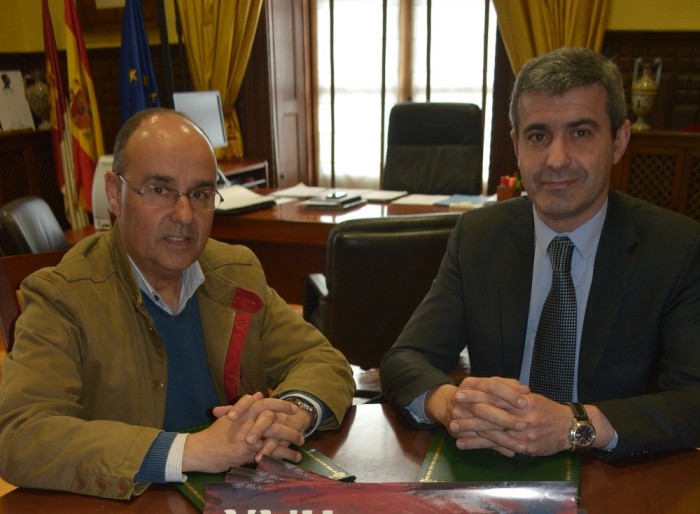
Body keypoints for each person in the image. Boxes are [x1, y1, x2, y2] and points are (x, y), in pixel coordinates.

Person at [0, 108, 355, 499]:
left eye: (201, 194)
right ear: (115, 194)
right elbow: (19, 434)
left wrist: (290, 414)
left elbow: (323, 360)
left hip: (234, 497)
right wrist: (191, 450)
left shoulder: (235, 272)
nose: (184, 214)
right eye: (159, 189)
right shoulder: (62, 296)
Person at [380, 47, 700, 461]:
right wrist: (449, 403)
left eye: (580, 133)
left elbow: (694, 397)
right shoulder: (479, 235)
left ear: (619, 141)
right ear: (516, 144)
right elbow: (405, 358)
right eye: (538, 136)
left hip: (613, 472)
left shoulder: (675, 247)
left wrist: (576, 424)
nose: (556, 159)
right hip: (494, 462)